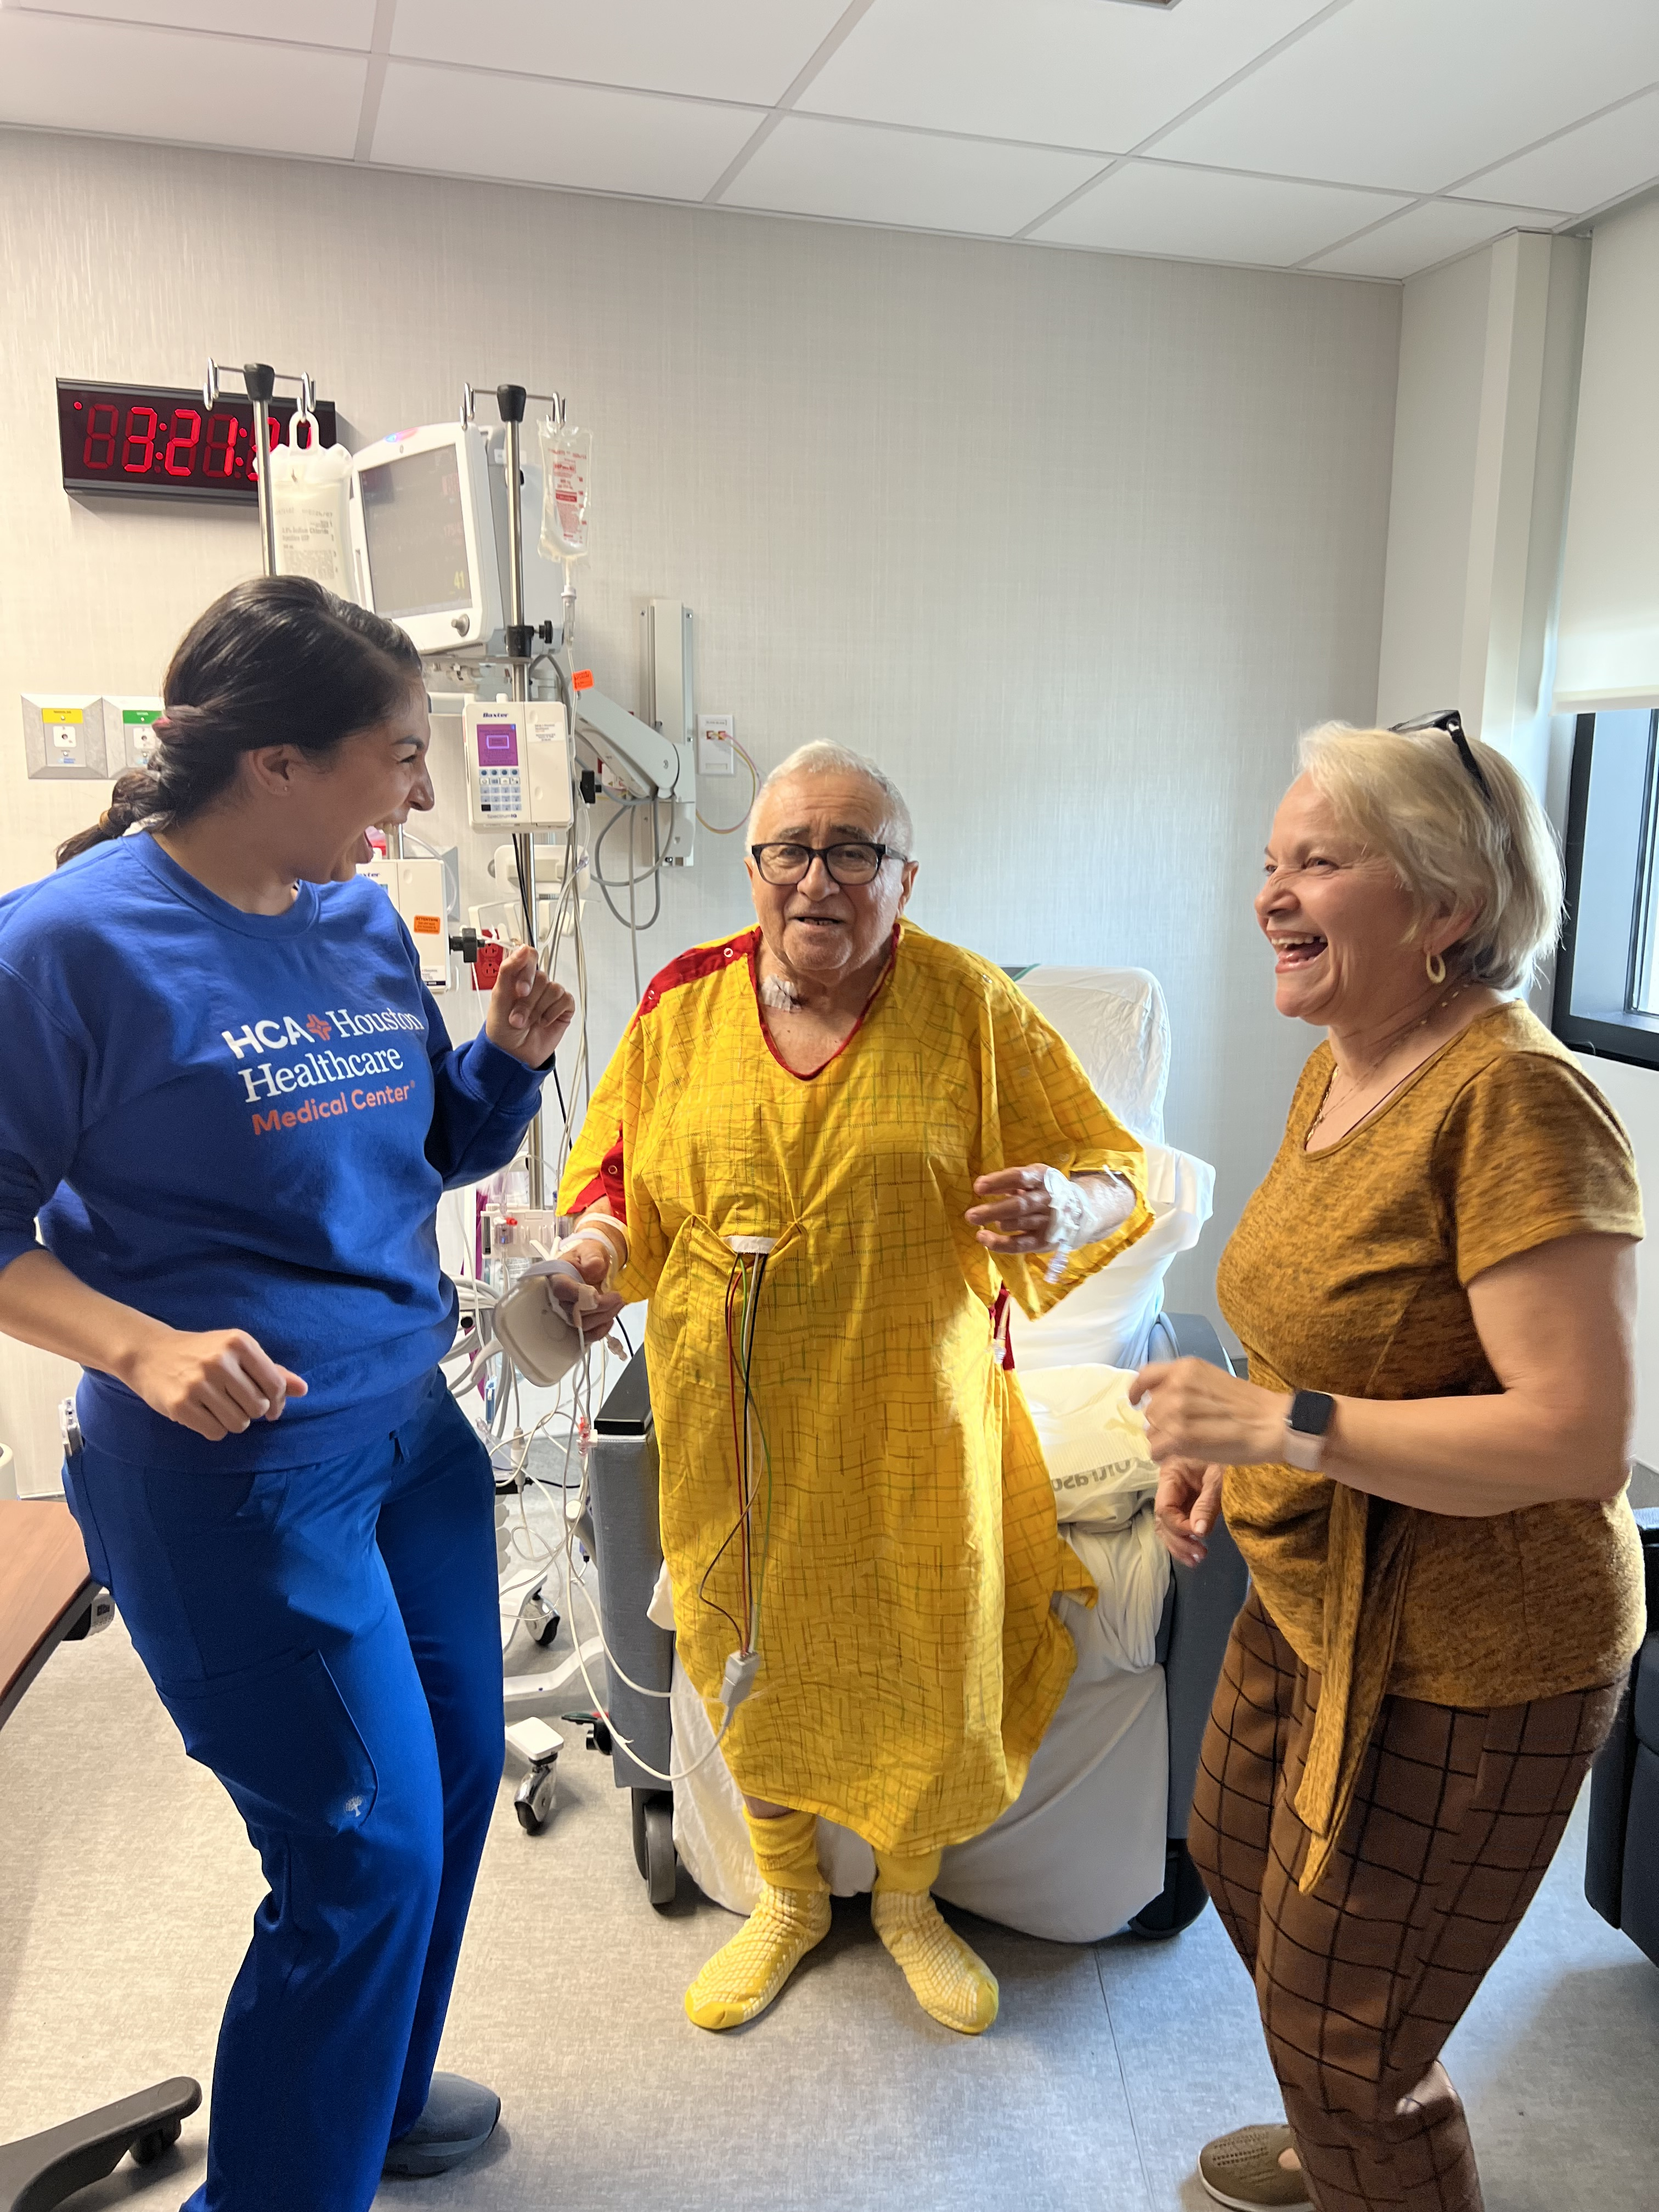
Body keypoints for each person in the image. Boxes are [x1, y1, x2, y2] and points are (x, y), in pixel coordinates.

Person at [0, 577, 574, 2212]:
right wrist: (134, 1343)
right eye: (396, 757)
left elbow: (425, 1154)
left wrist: (506, 1065)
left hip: (410, 1438)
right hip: (230, 1478)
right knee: (356, 1852)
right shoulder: (63, 949)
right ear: (274, 761)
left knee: (457, 1785)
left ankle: (369, 2103)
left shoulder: (353, 918)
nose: (416, 793)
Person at [552, 741, 1150, 2035]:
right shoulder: (681, 1004)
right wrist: (595, 1254)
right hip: (736, 1422)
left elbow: (1121, 1171)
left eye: (853, 851)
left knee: (925, 1660)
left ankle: (908, 1899)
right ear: (754, 865)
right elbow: (607, 1179)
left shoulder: (972, 1008)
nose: (817, 879)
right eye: (790, 850)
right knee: (749, 1652)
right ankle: (786, 1897)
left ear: (903, 875)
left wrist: (1064, 1204)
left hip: (911, 1430)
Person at [1132, 715, 1645, 2212]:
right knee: (1237, 1858)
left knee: (1351, 2032)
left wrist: (1279, 1427)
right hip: (1313, 1593)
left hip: (1477, 1649)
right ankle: (1337, 2121)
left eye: (1320, 864)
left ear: (1443, 908)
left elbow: (1574, 1439)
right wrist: (1239, 1438)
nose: (1270, 897)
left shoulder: (1517, 1101)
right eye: (1270, 862)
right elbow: (1330, 1328)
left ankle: (1362, 2130)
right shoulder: (1346, 1059)